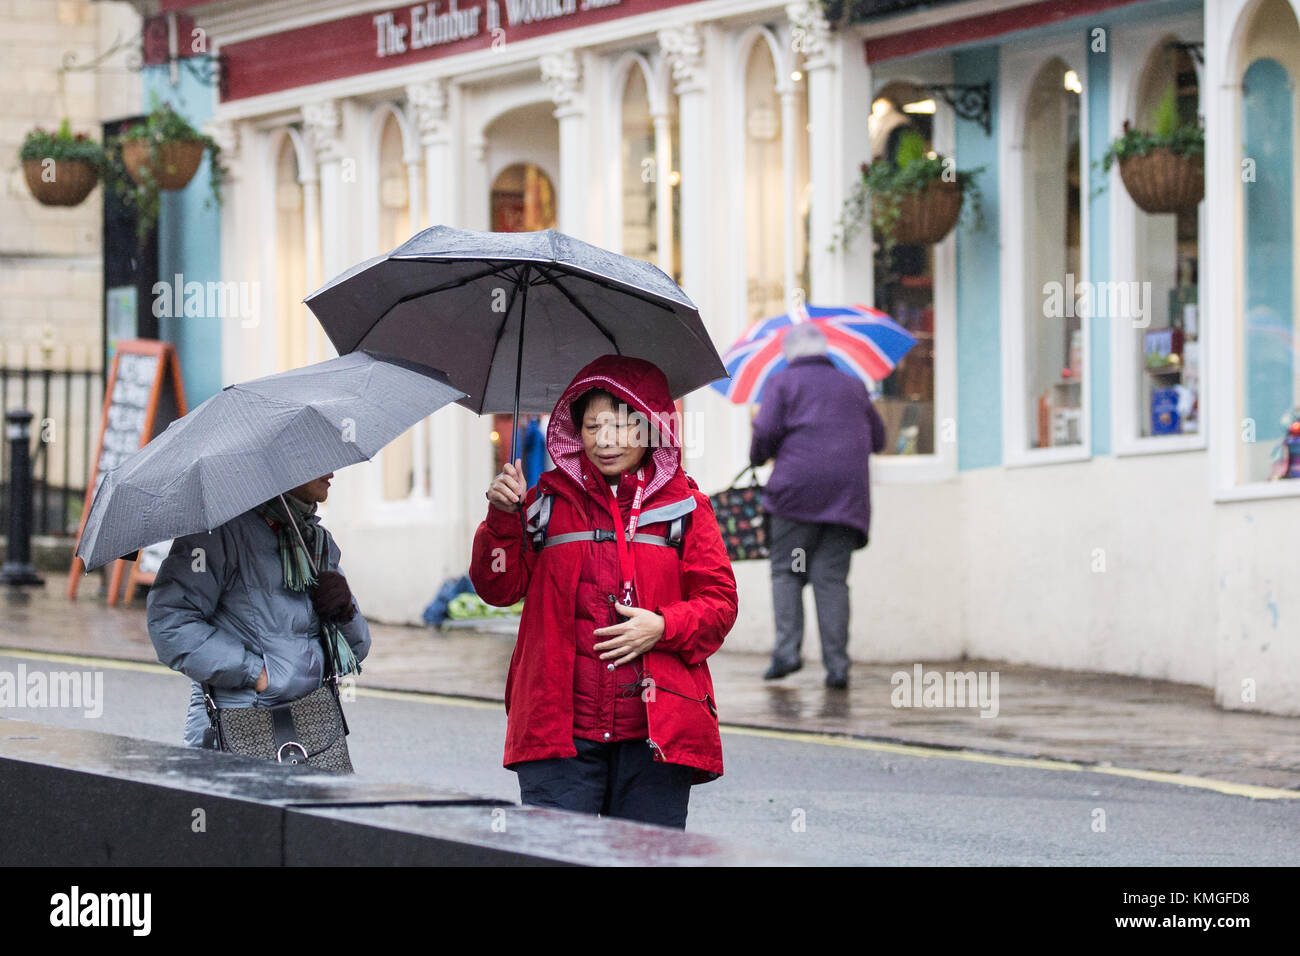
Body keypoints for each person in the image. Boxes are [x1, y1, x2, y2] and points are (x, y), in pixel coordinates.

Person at [470, 354, 738, 830]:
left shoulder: (686, 508)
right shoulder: (543, 504)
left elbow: (719, 604)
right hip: (559, 733)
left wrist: (663, 626)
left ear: (652, 427)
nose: (606, 440)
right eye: (593, 426)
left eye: (622, 425)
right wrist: (502, 519)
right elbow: (498, 586)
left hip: (652, 738)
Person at [145, 473, 371, 756]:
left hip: (313, 727)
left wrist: (344, 611)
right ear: (284, 465)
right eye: (316, 462)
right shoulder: (216, 537)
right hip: (242, 726)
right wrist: (257, 674)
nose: (331, 472)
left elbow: (356, 650)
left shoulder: (316, 541)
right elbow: (170, 624)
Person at [749, 323, 886, 689]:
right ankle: (838, 666)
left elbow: (764, 434)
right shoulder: (854, 385)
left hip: (797, 498)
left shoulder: (781, 383)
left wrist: (758, 455)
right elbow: (879, 438)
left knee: (789, 570)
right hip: (846, 500)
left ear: (789, 353)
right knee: (830, 580)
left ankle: (787, 653)